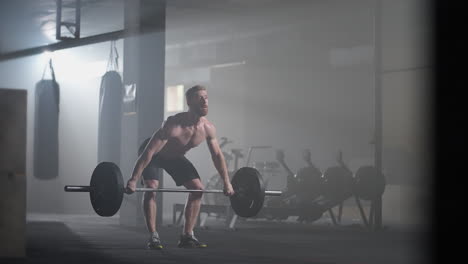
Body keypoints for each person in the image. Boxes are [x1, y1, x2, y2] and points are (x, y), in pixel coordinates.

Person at [125, 85, 235, 250]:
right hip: (154, 155)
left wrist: (227, 182)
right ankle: (153, 235)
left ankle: (187, 235)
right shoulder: (173, 124)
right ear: (189, 101)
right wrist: (133, 179)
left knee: (198, 189)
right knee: (151, 187)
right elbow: (149, 151)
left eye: (206, 97)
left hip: (175, 158)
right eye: (200, 97)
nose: (205, 100)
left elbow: (217, 156)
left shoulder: (208, 128)